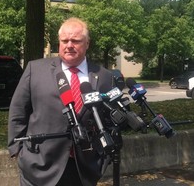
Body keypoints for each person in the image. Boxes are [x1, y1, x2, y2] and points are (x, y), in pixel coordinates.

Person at [8, 17, 115, 186]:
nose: (69, 45)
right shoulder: (35, 70)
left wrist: (103, 158)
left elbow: (110, 121)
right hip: (39, 165)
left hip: (84, 168)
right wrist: (17, 150)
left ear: (87, 43)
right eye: (64, 40)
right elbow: (18, 111)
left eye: (76, 40)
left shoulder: (104, 77)